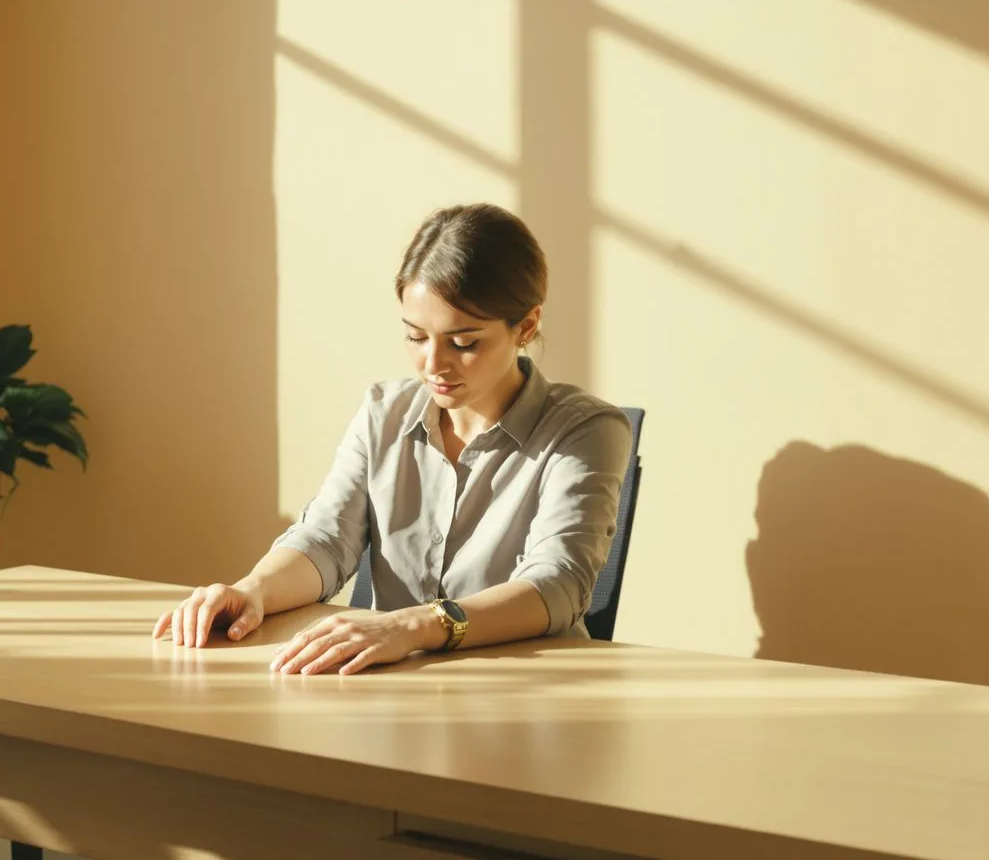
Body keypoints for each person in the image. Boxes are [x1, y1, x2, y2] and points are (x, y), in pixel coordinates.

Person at [152, 203, 633, 675]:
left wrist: (415, 626)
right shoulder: (384, 412)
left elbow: (558, 583)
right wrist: (253, 591)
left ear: (526, 326)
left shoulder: (587, 431)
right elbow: (325, 537)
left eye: (463, 343)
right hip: (390, 691)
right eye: (415, 337)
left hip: (528, 698)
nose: (433, 365)